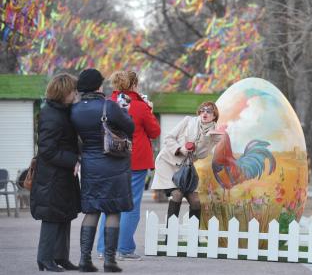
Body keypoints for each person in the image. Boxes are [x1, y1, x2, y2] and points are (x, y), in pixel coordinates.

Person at [71, 69, 134, 273]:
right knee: (113, 210)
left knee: (92, 210)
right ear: (99, 86)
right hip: (114, 163)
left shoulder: (75, 110)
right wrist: (124, 110)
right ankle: (109, 261)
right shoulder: (110, 106)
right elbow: (130, 127)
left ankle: (84, 259)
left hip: (89, 165)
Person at [96, 71, 160, 260]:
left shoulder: (106, 104)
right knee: (130, 206)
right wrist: (149, 109)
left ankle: (103, 249)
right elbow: (155, 132)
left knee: (109, 204)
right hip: (135, 161)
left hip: (109, 159)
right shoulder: (140, 106)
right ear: (133, 85)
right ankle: (124, 249)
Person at [30, 73, 81, 272]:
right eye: (73, 91)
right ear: (63, 92)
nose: (75, 94)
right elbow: (47, 149)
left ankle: (61, 257)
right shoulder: (51, 115)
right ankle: (45, 258)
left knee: (64, 215)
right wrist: (73, 160)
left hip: (61, 175)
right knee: (52, 218)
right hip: (52, 176)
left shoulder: (61, 111)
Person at [151, 101, 223, 223]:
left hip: (185, 167)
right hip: (167, 162)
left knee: (195, 201)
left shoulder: (215, 134)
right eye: (202, 110)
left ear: (214, 116)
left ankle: (193, 238)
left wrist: (207, 139)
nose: (205, 113)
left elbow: (201, 155)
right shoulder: (188, 121)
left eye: (209, 111)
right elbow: (168, 138)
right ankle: (170, 236)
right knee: (177, 195)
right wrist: (180, 149)